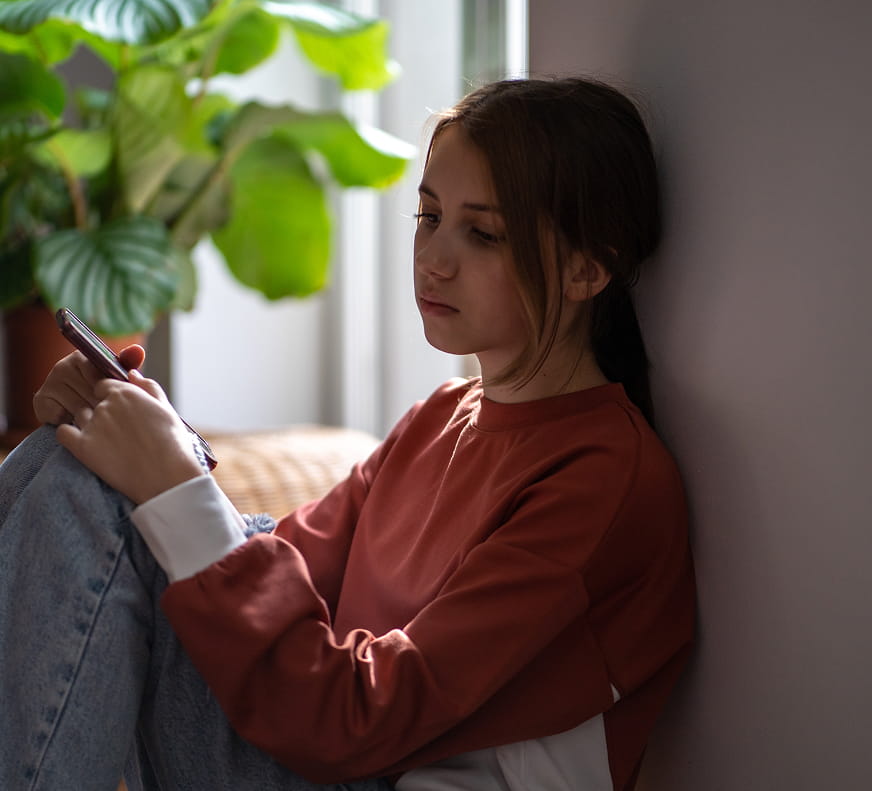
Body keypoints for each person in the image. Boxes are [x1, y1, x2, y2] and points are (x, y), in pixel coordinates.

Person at [0, 77, 695, 791]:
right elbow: (268, 579)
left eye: (483, 233)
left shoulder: (606, 480)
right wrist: (155, 446)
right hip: (322, 742)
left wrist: (169, 478)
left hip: (368, 763)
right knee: (80, 455)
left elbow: (353, 719)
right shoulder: (439, 418)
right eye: (428, 217)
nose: (434, 258)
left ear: (588, 267)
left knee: (100, 485)